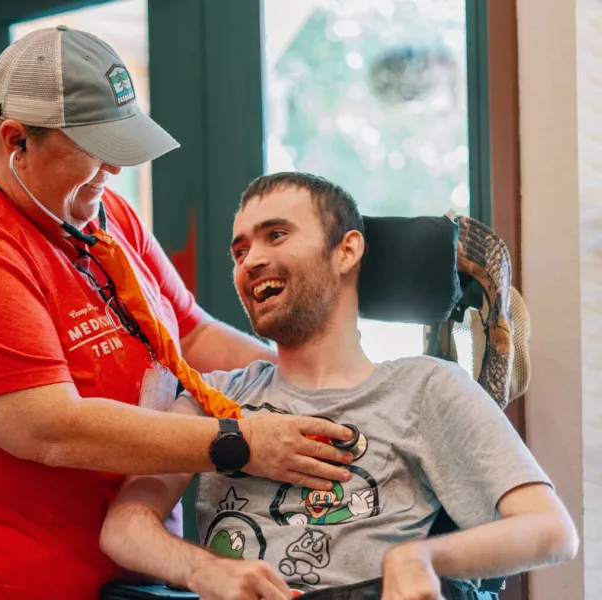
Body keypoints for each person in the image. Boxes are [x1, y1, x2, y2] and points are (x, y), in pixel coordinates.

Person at [0, 28, 356, 600]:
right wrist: (243, 440)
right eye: (96, 151)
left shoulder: (100, 209)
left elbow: (190, 334)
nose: (114, 172)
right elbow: (49, 429)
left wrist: (324, 384)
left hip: (108, 577)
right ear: (18, 141)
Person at [99, 173, 579, 600]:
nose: (251, 261)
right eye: (240, 250)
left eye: (276, 235)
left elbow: (552, 530)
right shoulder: (214, 398)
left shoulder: (427, 388)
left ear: (346, 250)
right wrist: (206, 571)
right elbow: (123, 527)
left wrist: (420, 560)